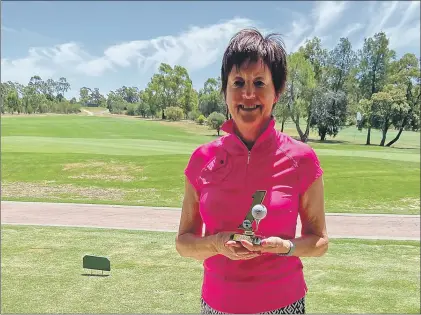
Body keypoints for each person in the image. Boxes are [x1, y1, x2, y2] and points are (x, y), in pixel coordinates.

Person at [175, 28, 328, 314]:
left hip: (283, 303)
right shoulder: (201, 159)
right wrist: (218, 244)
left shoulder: (302, 159)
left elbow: (319, 241)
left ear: (277, 93)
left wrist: (286, 246)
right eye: (238, 82)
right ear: (225, 91)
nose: (248, 93)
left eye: (259, 82)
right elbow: (184, 243)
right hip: (217, 304)